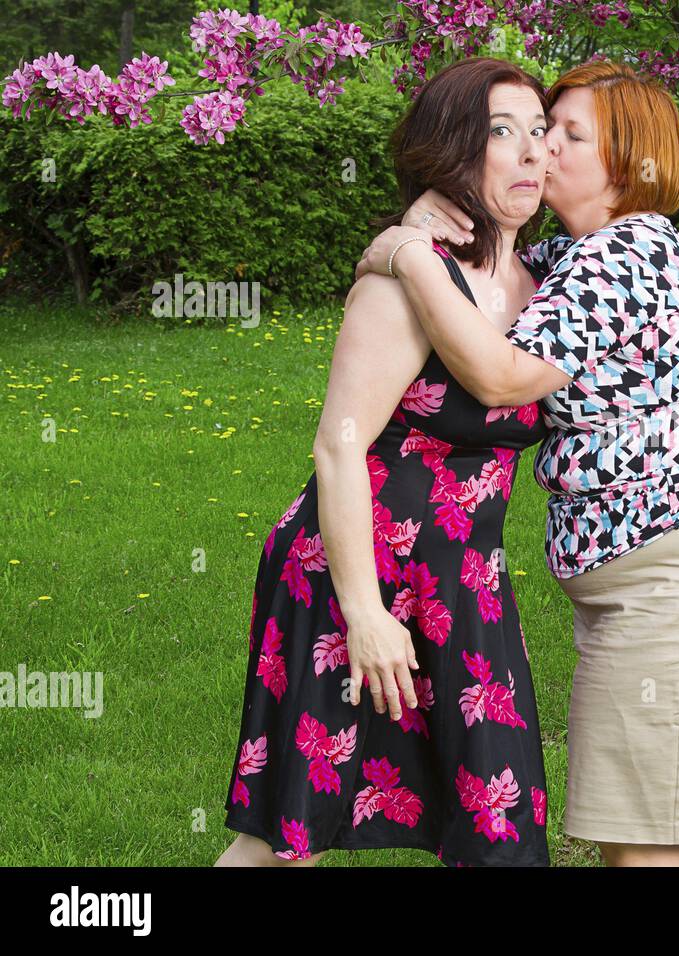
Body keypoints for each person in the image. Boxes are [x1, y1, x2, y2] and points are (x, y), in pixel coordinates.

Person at [356, 60, 679, 867]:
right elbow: (507, 281)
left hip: (676, 563)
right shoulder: (599, 254)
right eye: (542, 127)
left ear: (626, 169)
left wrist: (408, 256)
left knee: (641, 834)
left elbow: (503, 374)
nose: (543, 147)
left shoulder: (614, 259)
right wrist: (426, 222)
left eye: (569, 134)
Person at [217, 57, 555, 867]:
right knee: (287, 835)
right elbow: (337, 446)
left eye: (539, 133)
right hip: (353, 570)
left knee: (498, 819)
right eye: (501, 133)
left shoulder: (547, 279)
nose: (530, 154)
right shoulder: (408, 278)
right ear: (454, 151)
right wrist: (365, 613)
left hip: (467, 581)